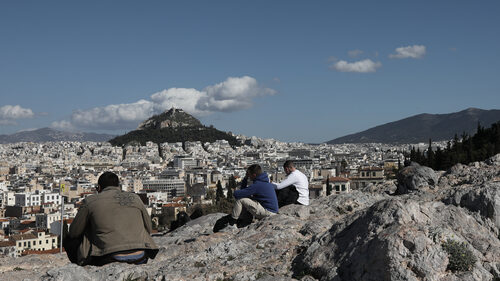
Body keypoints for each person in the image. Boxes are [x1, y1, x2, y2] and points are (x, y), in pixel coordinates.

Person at [65, 171, 158, 266]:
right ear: (118, 186)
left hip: (109, 257)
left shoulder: (90, 201)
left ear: (99, 188)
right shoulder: (135, 198)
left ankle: (81, 268)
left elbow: (74, 232)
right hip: (140, 256)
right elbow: (149, 228)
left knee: (69, 240)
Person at [213, 164, 278, 232]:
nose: (248, 176)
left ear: (254, 175)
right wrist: (246, 179)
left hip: (268, 212)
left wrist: (245, 178)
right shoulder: (264, 182)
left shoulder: (257, 185)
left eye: (249, 174)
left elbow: (237, 194)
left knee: (241, 200)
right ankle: (245, 222)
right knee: (247, 199)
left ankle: (232, 224)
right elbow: (243, 192)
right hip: (271, 211)